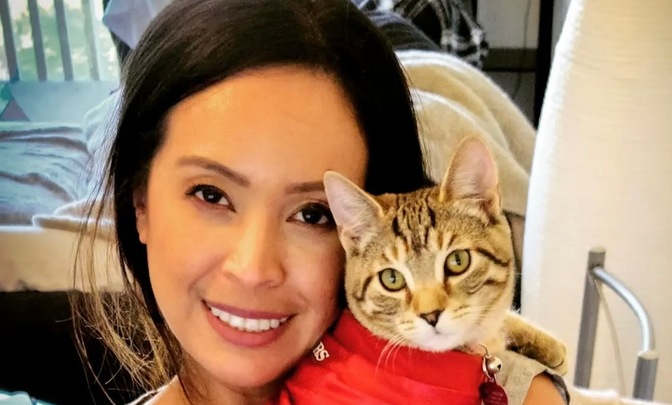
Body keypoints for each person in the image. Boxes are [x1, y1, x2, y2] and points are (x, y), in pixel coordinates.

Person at [75, 0, 567, 404]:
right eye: (211, 195)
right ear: (140, 203)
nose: (253, 269)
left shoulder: (518, 392)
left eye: (313, 214)